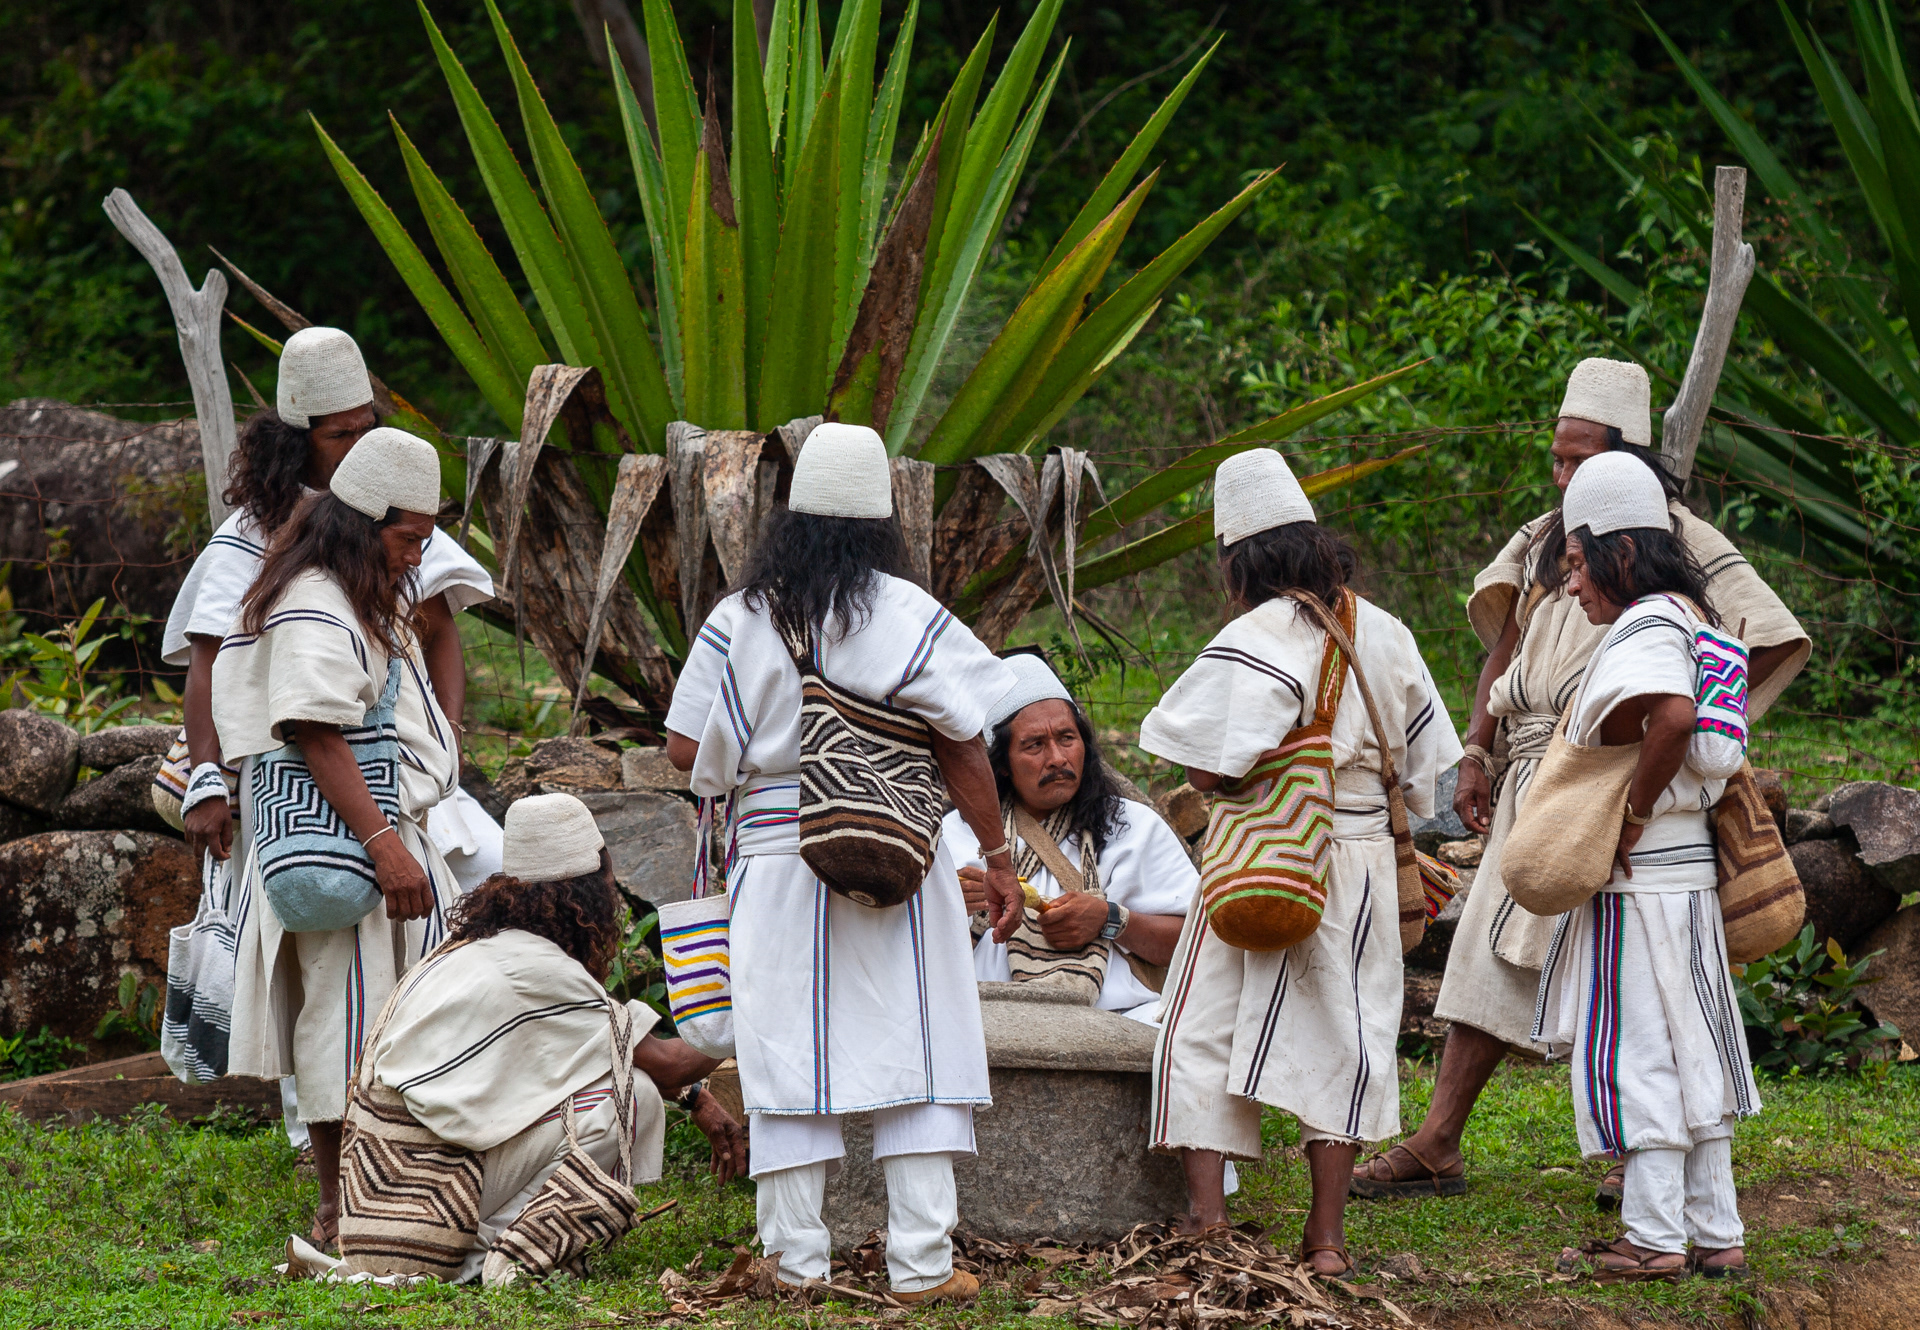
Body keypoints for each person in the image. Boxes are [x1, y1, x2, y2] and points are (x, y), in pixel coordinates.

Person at [1354, 358, 1807, 1207]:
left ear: (1628, 454)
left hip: (1611, 782)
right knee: (1491, 952)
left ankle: (1643, 1165)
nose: (1563, 476)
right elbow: (1510, 641)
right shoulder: (1546, 535)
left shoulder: (1682, 546)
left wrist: (1684, 747)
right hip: (1538, 770)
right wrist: (1479, 751)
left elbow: (1763, 636)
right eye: (1557, 459)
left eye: (1580, 459)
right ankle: (1442, 1140)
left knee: (1631, 980)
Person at [663, 423, 1021, 1305]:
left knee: (786, 1061)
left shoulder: (738, 616)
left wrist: (765, 738)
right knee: (924, 1046)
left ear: (791, 519)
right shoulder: (908, 614)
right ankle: (923, 1268)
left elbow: (680, 749)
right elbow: (967, 743)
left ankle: (794, 1265)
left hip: (779, 855)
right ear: (881, 523)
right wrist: (1001, 856)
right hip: (899, 848)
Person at [1139, 449, 1462, 1274]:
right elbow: (1426, 777)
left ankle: (1206, 1223)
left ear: (1237, 560)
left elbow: (1206, 769)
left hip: (1263, 852)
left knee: (1200, 1024)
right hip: (1353, 865)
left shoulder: (1255, 634)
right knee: (1345, 1039)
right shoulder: (1387, 632)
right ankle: (1325, 1242)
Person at [296, 793, 747, 1286]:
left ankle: (479, 1246)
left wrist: (698, 1098)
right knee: (633, 1096)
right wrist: (751, 1010)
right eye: (610, 883)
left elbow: (586, 1059)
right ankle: (510, 1256)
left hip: (376, 1223)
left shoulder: (471, 950)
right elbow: (665, 1064)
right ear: (588, 892)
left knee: (614, 1083)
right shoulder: (537, 969)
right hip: (420, 1227)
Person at [213, 427, 466, 1252]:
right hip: (348, 841)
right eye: (407, 538)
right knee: (343, 1021)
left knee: (384, 1019)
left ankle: (388, 1195)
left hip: (374, 833)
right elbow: (314, 729)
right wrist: (383, 843)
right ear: (362, 522)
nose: (415, 556)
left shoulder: (349, 587)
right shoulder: (318, 599)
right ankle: (338, 1209)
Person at [162, 326, 502, 894]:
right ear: (298, 440)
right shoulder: (249, 536)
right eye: (339, 434)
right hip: (290, 780)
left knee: (487, 876)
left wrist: (449, 735)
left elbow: (438, 630)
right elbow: (212, 662)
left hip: (401, 770)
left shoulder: (397, 517)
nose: (356, 445)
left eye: (365, 429)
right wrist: (208, 777)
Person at [1532, 451, 1760, 1278]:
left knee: (1640, 1050)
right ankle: (1717, 1232)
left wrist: (1627, 817)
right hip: (1689, 878)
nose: (1572, 584)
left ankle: (1653, 1238)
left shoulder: (1645, 624)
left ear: (1619, 553)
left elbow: (1669, 716)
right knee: (1694, 1043)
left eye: (1577, 561)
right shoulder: (1698, 616)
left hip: (1641, 880)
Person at [943, 652, 1190, 1022]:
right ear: (1003, 764)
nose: (1058, 758)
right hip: (982, 1020)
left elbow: (1197, 942)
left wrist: (1111, 920)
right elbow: (906, 954)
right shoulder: (956, 834)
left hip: (1125, 1019)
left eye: (1066, 738)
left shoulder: (1133, 828)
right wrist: (945, 906)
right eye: (1034, 745)